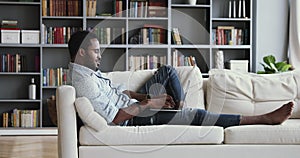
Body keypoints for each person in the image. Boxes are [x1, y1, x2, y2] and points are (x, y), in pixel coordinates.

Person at [68, 30, 294, 128]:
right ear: (81, 52)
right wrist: (149, 104)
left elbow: (122, 94)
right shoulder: (83, 83)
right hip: (133, 117)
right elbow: (115, 117)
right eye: (96, 51)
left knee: (166, 71)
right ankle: (264, 119)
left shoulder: (89, 73)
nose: (100, 55)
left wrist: (146, 96)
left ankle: (179, 107)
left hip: (133, 104)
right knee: (196, 115)